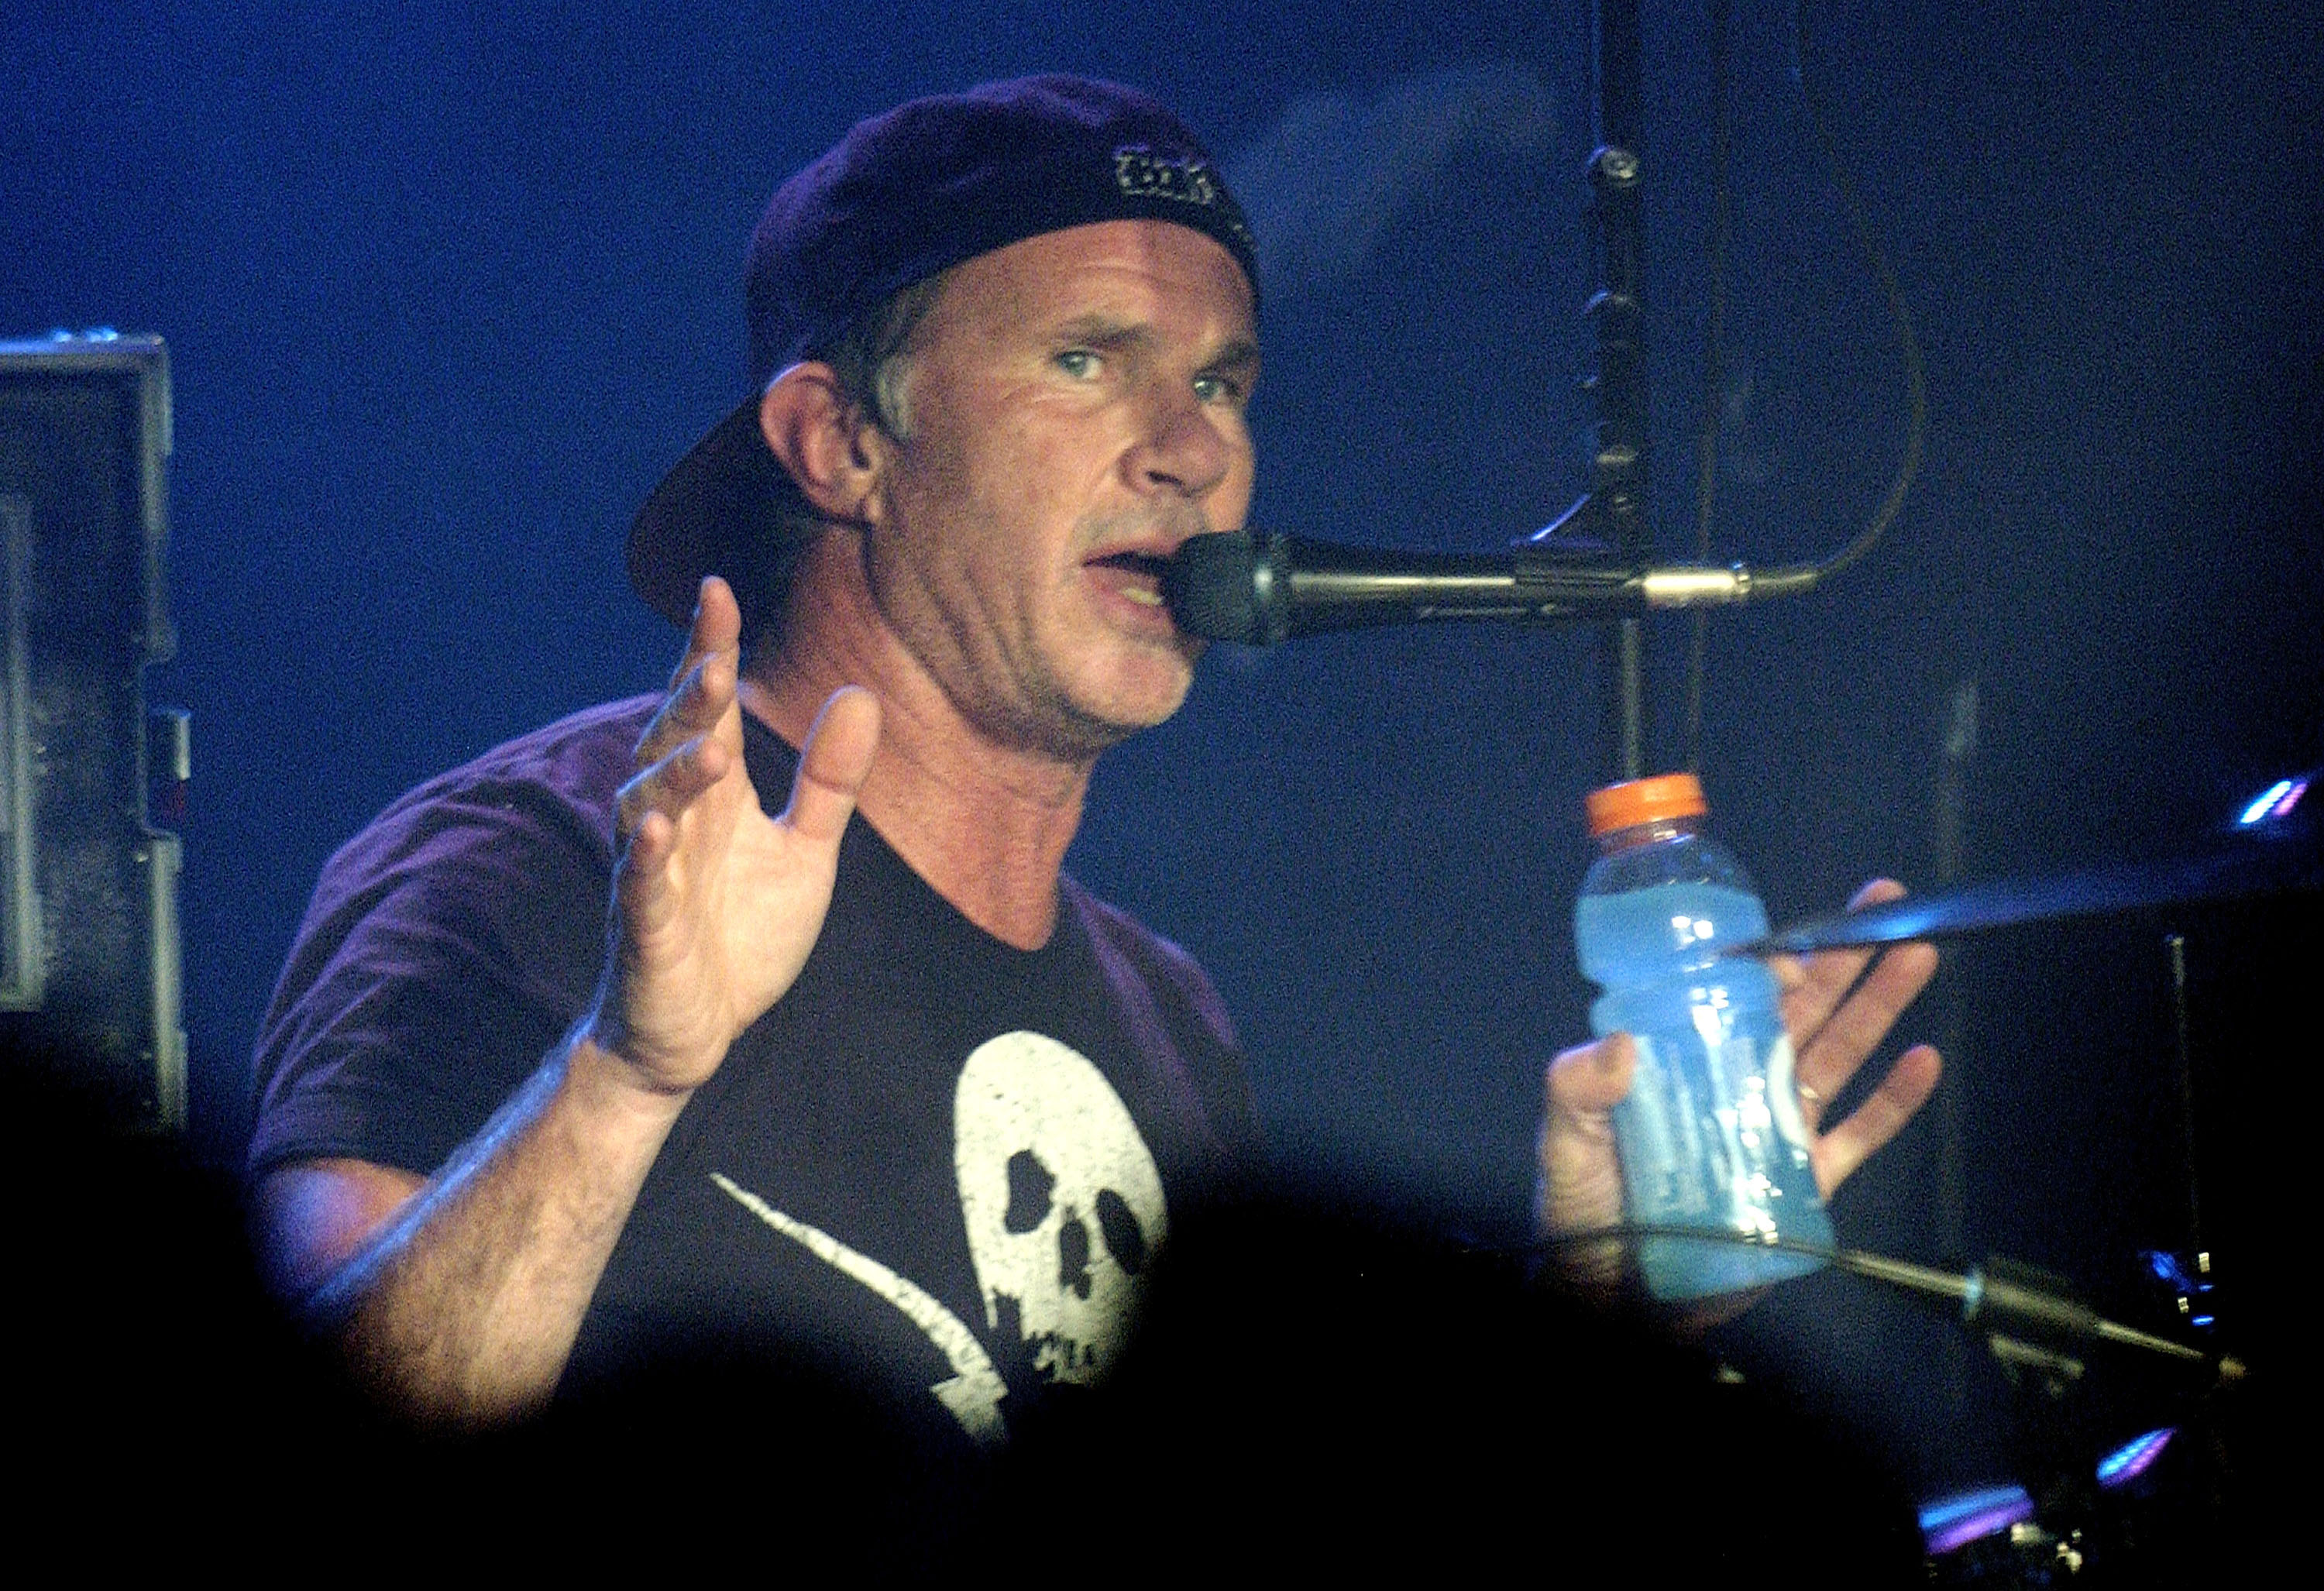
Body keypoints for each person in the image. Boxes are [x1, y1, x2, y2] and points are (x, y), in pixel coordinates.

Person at [249, 76, 1941, 1456]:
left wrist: (1599, 1316)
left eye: (1221, 380)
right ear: (842, 442)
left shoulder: (1165, 1011)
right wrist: (627, 1070)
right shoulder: (527, 867)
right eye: (1084, 362)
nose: (1194, 446)